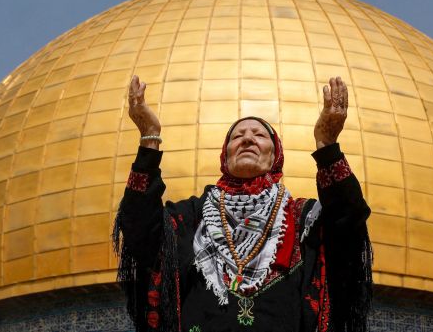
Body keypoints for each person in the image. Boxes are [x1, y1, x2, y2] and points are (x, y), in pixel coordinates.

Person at [114, 75, 372, 332]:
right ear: (225, 156)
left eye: (259, 135)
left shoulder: (303, 220)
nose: (248, 139)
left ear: (275, 156)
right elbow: (137, 224)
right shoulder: (190, 218)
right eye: (238, 137)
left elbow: (349, 220)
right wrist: (149, 139)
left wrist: (327, 146)